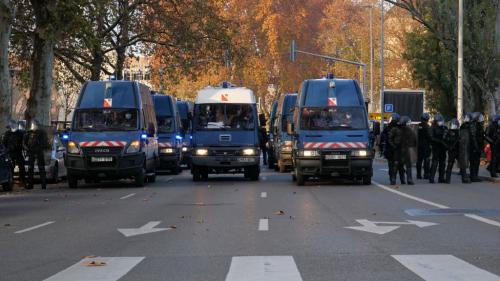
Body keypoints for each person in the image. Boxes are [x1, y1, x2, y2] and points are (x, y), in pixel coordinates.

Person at [24, 119, 50, 189]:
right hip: (31, 152)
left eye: (34, 124)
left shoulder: (42, 133)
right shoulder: (29, 133)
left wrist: (40, 148)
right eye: (33, 124)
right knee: (30, 168)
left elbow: (45, 143)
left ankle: (43, 185)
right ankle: (30, 184)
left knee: (41, 168)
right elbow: (25, 142)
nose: (33, 125)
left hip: (39, 152)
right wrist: (27, 148)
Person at [390, 116, 416, 185]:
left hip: (406, 149)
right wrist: (394, 146)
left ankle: (409, 179)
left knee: (408, 164)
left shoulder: (410, 130)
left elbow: (414, 139)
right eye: (407, 123)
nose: (409, 124)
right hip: (398, 149)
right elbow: (390, 138)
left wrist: (412, 146)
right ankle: (393, 179)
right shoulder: (395, 129)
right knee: (396, 164)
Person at [2, 119, 26, 188]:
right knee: (10, 168)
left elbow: (23, 142)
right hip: (10, 153)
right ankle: (11, 182)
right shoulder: (7, 134)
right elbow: (4, 144)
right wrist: (6, 150)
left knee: (21, 167)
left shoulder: (20, 133)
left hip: (18, 152)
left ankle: (22, 181)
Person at [380, 113, 401, 185]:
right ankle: (393, 178)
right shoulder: (399, 127)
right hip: (396, 148)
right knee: (395, 163)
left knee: (391, 164)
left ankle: (392, 178)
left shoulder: (387, 127)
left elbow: (382, 137)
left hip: (389, 148)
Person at [429, 113, 448, 183]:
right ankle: (431, 178)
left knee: (442, 163)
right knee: (435, 162)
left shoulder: (443, 127)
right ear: (436, 121)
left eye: (442, 120)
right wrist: (439, 141)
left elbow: (446, 136)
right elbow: (431, 137)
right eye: (440, 121)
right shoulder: (432, 127)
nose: (441, 122)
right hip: (436, 147)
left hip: (443, 148)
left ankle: (441, 177)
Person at [469, 112, 484, 182]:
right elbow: (473, 137)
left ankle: (475, 176)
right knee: (473, 162)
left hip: (477, 146)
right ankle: (473, 176)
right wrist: (476, 147)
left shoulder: (478, 125)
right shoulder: (473, 125)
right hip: (474, 147)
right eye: (480, 117)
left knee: (476, 161)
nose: (481, 119)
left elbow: (481, 136)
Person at [416, 113, 432, 179]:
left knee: (419, 160)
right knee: (426, 160)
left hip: (419, 145)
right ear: (427, 119)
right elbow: (429, 136)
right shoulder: (427, 127)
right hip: (426, 145)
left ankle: (418, 174)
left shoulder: (418, 126)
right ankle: (426, 174)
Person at [444, 118, 460, 183]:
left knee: (462, 164)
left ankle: (464, 177)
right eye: (453, 124)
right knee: (450, 164)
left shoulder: (458, 132)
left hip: (457, 150)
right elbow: (445, 140)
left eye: (455, 124)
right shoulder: (448, 132)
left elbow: (460, 141)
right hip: (451, 150)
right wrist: (448, 147)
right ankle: (447, 179)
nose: (454, 126)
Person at [458, 113, 472, 183]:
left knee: (464, 160)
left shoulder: (465, 126)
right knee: (464, 160)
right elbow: (464, 137)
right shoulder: (465, 127)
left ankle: (464, 176)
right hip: (464, 146)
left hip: (465, 145)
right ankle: (464, 177)